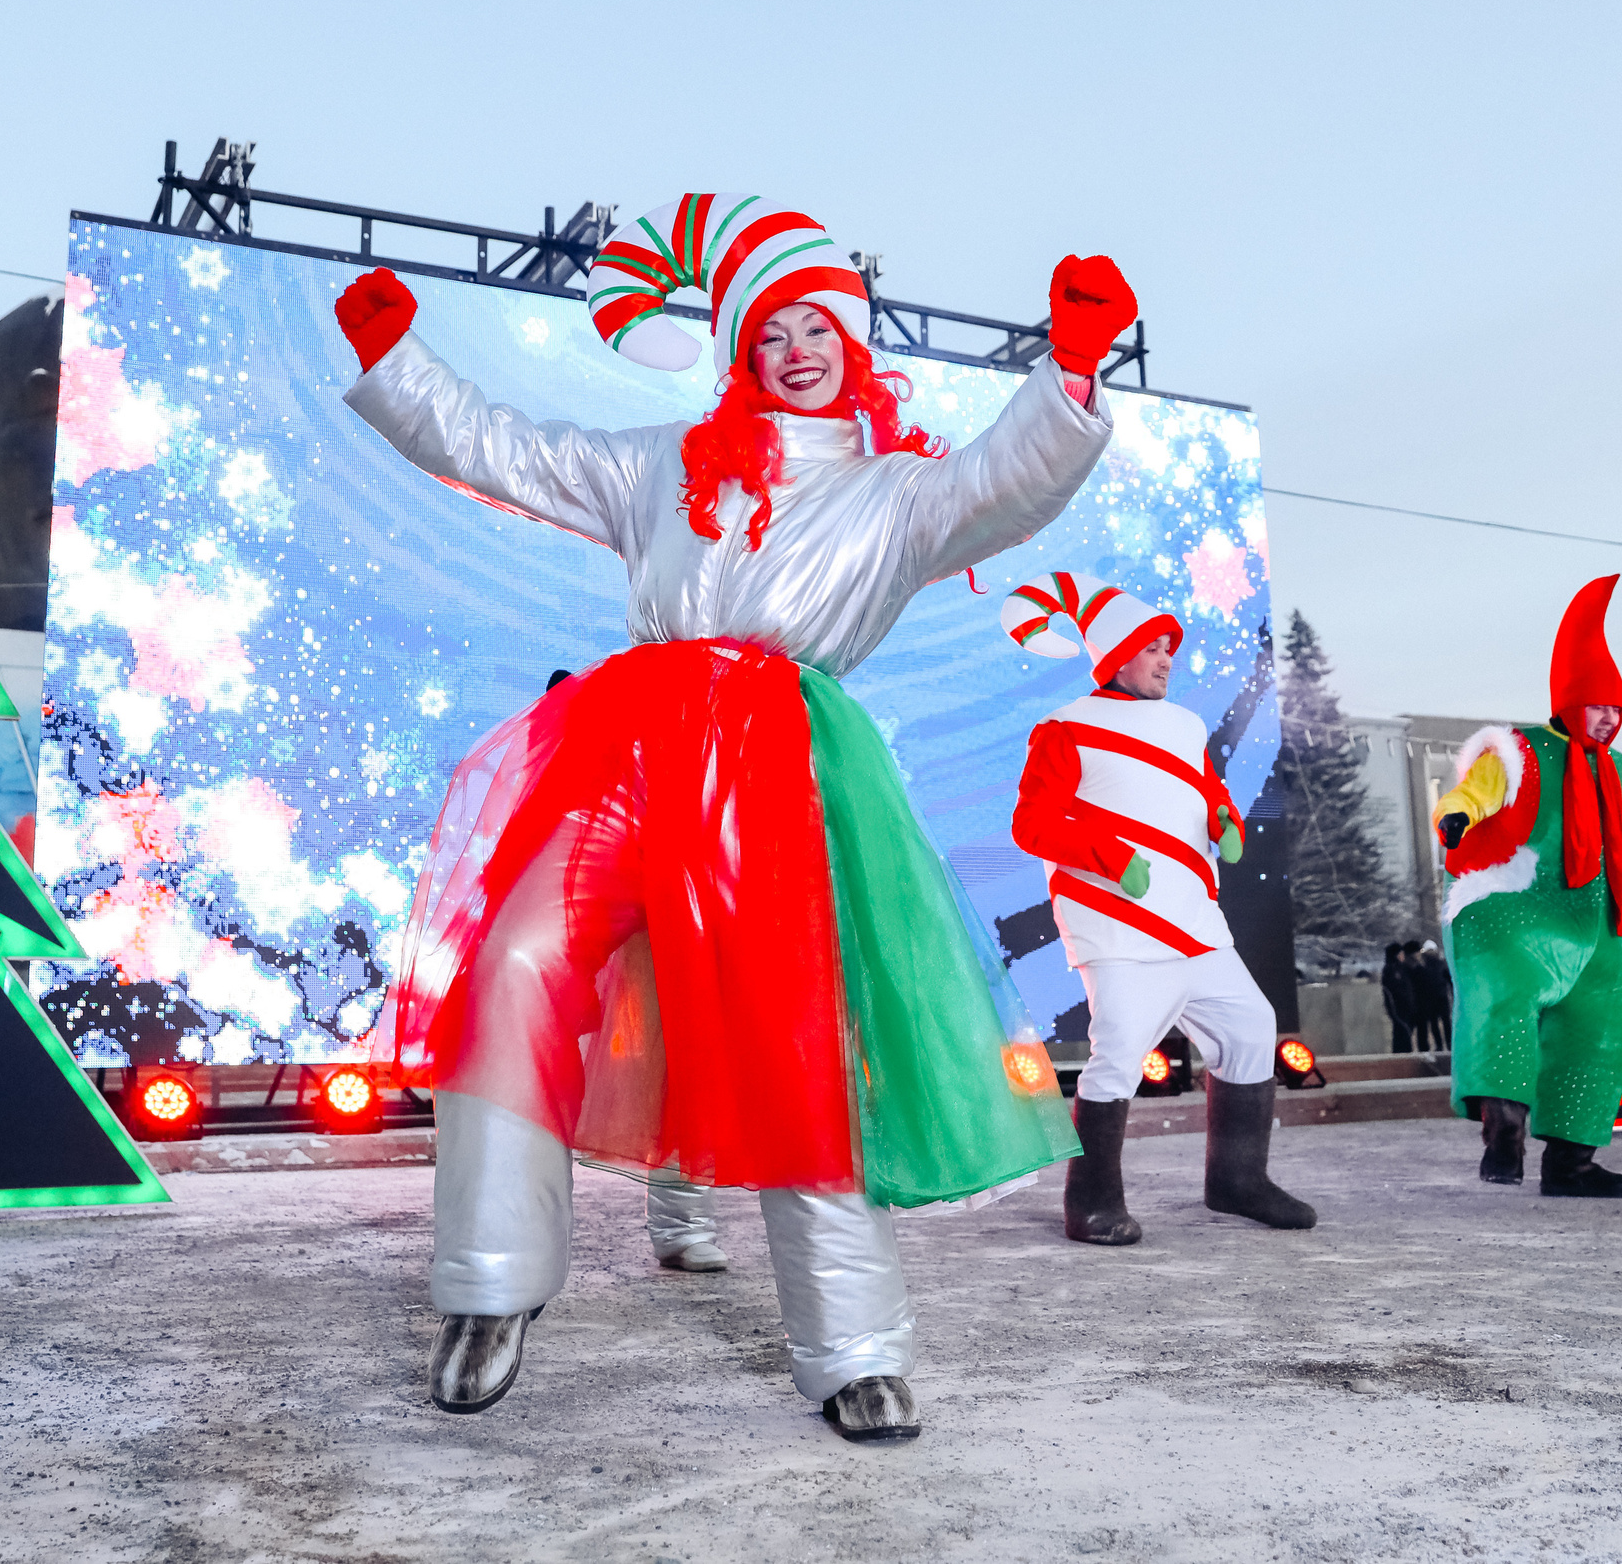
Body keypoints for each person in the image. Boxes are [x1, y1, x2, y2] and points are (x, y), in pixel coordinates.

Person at [335, 195, 1135, 1439]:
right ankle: (490, 1287)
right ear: (742, 349)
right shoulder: (661, 462)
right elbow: (505, 447)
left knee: (788, 1043)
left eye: (819, 326)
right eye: (771, 330)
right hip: (631, 747)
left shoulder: (898, 495)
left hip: (772, 772)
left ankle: (854, 1349)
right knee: (514, 961)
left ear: (852, 346)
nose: (796, 348)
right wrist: (400, 363)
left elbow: (1006, 480)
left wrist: (1068, 377)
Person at [1003, 574, 1315, 1246]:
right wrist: (1110, 856)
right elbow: (1030, 824)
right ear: (1118, 655)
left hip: (1196, 920)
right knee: (1118, 1051)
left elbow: (1207, 789)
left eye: (1170, 650)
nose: (1167, 660)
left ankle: (1237, 1180)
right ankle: (1090, 1201)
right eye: (1153, 649)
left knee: (1251, 1027)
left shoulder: (1185, 725)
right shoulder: (1065, 727)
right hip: (1115, 923)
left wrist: (1226, 820)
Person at [1430, 575, 1622, 1198]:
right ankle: (1503, 1132)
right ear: (1571, 700)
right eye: (1598, 705)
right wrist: (1456, 814)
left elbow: (1619, 836)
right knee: (1510, 982)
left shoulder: (1620, 769)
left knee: (1620, 979)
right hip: (1515, 906)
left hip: (1590, 914)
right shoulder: (1519, 750)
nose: (1609, 719)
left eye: (1617, 709)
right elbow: (1474, 793)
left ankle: (1572, 1161)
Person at [548, 666, 730, 1276]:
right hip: (622, 926)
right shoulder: (610, 734)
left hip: (704, 923)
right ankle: (674, 1226)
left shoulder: (724, 733)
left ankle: (683, 1226)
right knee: (655, 1069)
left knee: (694, 1069)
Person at [1413, 940, 1454, 1053]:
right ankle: (1447, 1044)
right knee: (1443, 1022)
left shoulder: (1423, 966)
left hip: (1432, 999)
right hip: (1439, 997)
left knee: (1437, 1022)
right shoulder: (1441, 964)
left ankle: (1441, 1045)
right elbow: (1449, 981)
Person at [1378, 943, 1416, 1054]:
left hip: (1406, 1007)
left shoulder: (1402, 968)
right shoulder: (1392, 969)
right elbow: (1395, 990)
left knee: (1405, 1033)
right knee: (1401, 1033)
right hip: (1399, 1007)